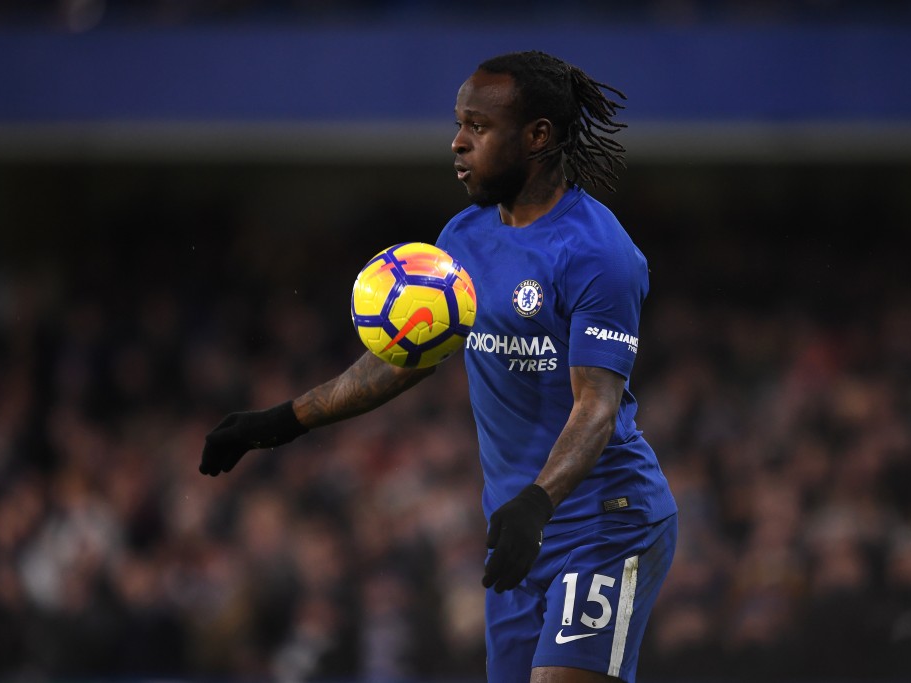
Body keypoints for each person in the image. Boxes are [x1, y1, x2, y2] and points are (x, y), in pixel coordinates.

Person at [200, 50, 678, 683]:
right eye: (459, 124)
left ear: (537, 137)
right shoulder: (462, 238)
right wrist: (283, 420)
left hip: (603, 522)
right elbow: (400, 364)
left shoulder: (598, 253)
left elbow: (597, 403)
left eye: (478, 127)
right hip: (516, 531)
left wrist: (538, 501)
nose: (457, 143)